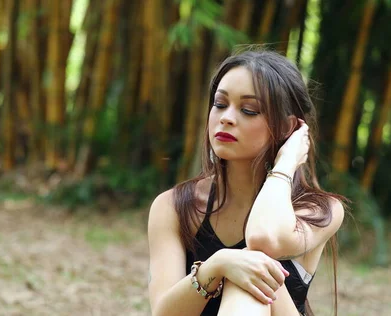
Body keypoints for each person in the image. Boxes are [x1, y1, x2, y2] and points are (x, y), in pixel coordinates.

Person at [147, 50, 346, 316]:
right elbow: (163, 313)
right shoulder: (175, 206)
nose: (226, 117)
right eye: (220, 104)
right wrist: (218, 264)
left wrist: (286, 164)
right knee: (246, 269)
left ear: (287, 128)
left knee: (252, 276)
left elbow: (263, 239)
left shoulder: (319, 209)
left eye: (248, 110)